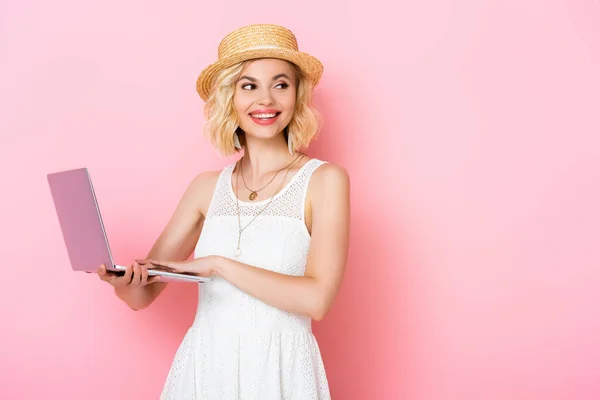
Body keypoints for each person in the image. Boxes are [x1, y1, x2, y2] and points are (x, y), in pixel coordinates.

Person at [97, 23, 350, 399]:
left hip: (280, 371)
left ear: (297, 94)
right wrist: (124, 285)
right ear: (229, 97)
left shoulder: (325, 180)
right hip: (206, 368)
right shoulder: (205, 188)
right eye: (249, 86)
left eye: (281, 84)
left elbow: (316, 301)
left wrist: (218, 265)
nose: (266, 100)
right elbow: (143, 297)